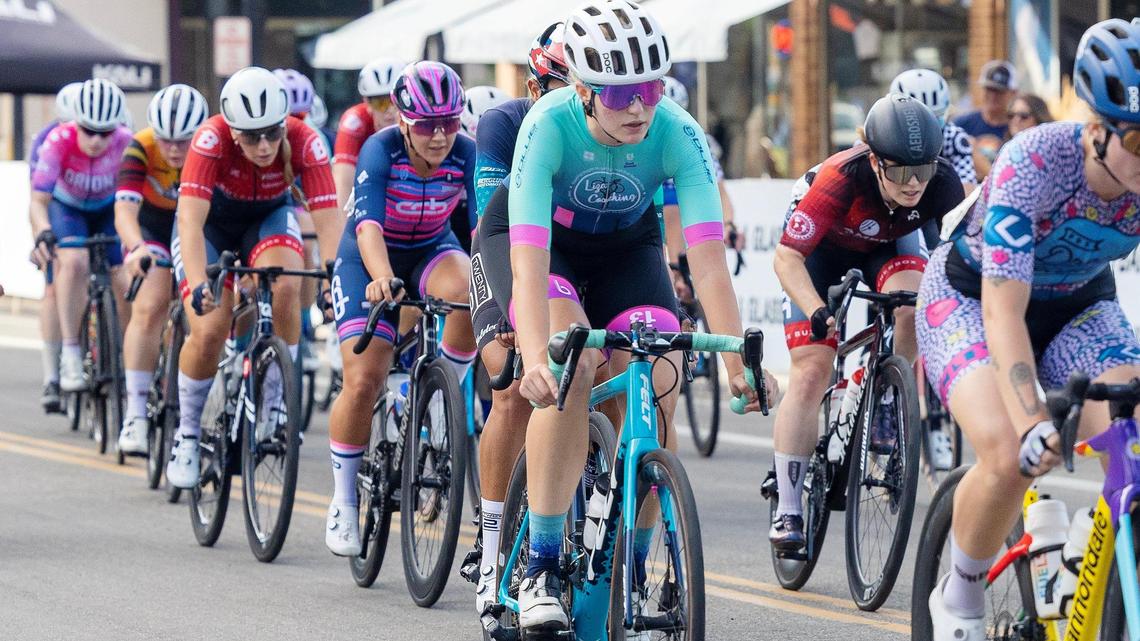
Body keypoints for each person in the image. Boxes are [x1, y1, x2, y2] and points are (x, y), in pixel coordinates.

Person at [478, 1, 765, 630]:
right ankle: (543, 565)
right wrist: (534, 358)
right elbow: (528, 264)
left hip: (623, 250)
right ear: (581, 90)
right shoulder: (547, 125)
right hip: (538, 246)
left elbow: (709, 264)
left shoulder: (678, 131)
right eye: (618, 94)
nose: (638, 106)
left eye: (649, 88)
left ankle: (631, 558)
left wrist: (738, 364)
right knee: (571, 361)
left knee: (661, 372)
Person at [916, 19, 1140, 639]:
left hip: (1080, 307)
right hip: (971, 297)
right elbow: (1002, 312)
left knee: (1137, 442)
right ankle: (959, 594)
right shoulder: (1034, 160)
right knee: (1010, 455)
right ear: (1096, 131)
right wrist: (1032, 418)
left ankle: (1082, 564)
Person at [770, 94, 964, 550]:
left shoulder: (941, 181)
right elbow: (787, 259)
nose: (914, 183)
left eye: (924, 170)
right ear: (875, 162)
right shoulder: (840, 179)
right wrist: (817, 310)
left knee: (913, 308)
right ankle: (789, 505)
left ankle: (884, 400)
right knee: (812, 369)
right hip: (819, 253)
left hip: (886, 246)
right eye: (899, 171)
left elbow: (958, 256)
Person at [324, 61, 477, 556]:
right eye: (428, 125)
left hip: (432, 248)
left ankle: (437, 393)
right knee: (364, 378)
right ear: (403, 121)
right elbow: (366, 225)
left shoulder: (468, 154)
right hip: (370, 258)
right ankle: (344, 500)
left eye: (450, 123)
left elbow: (480, 230)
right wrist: (381, 276)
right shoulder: (380, 148)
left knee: (472, 295)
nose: (440, 136)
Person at [165, 67, 342, 489]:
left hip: (267, 220)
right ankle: (187, 435)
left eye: (272, 133)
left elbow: (329, 218)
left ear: (286, 124)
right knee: (208, 330)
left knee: (287, 284)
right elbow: (189, 223)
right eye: (250, 136)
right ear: (231, 130)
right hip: (212, 229)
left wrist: (334, 283)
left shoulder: (305, 139)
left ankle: (275, 405)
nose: (264, 146)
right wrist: (198, 285)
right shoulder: (209, 140)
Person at [466, 21, 572, 616]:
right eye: (558, 85)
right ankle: (489, 548)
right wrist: (512, 310)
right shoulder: (505, 125)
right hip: (506, 244)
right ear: (536, 87)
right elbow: (492, 221)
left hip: (571, 253)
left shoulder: (608, 123)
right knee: (509, 385)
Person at [113, 84, 209, 455]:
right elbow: (124, 211)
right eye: (166, 140)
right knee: (151, 301)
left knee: (200, 308)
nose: (173, 150)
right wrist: (136, 248)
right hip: (152, 226)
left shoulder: (211, 148)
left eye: (184, 141)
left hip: (195, 226)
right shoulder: (140, 145)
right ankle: (135, 414)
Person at [28, 79, 133, 393]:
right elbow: (37, 201)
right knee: (73, 262)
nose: (97, 140)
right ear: (76, 123)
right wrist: (43, 232)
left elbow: (136, 197)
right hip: (67, 208)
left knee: (125, 279)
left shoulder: (128, 141)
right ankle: (71, 352)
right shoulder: (58, 140)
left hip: (108, 209)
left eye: (105, 132)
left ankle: (131, 353)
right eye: (89, 130)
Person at [659, 75, 742, 302]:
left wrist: (728, 223)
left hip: (685, 240)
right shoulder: (637, 141)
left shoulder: (695, 140)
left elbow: (719, 192)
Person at [28, 81, 82, 413]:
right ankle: (52, 375)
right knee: (53, 285)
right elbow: (36, 200)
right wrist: (41, 238)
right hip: (58, 209)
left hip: (98, 207)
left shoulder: (110, 135)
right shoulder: (47, 141)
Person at [333, 58, 404, 211]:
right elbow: (343, 185)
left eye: (395, 101)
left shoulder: (417, 121)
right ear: (367, 103)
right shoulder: (354, 122)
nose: (389, 111)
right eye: (381, 103)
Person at [890, 68, 978, 191]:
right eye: (915, 123)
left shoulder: (953, 138)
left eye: (934, 120)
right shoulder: (883, 137)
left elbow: (967, 191)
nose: (925, 131)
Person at [953, 60, 1018, 177]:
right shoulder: (961, 125)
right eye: (989, 89)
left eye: (999, 91)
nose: (993, 96)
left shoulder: (1018, 128)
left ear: (1013, 93)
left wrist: (975, 155)